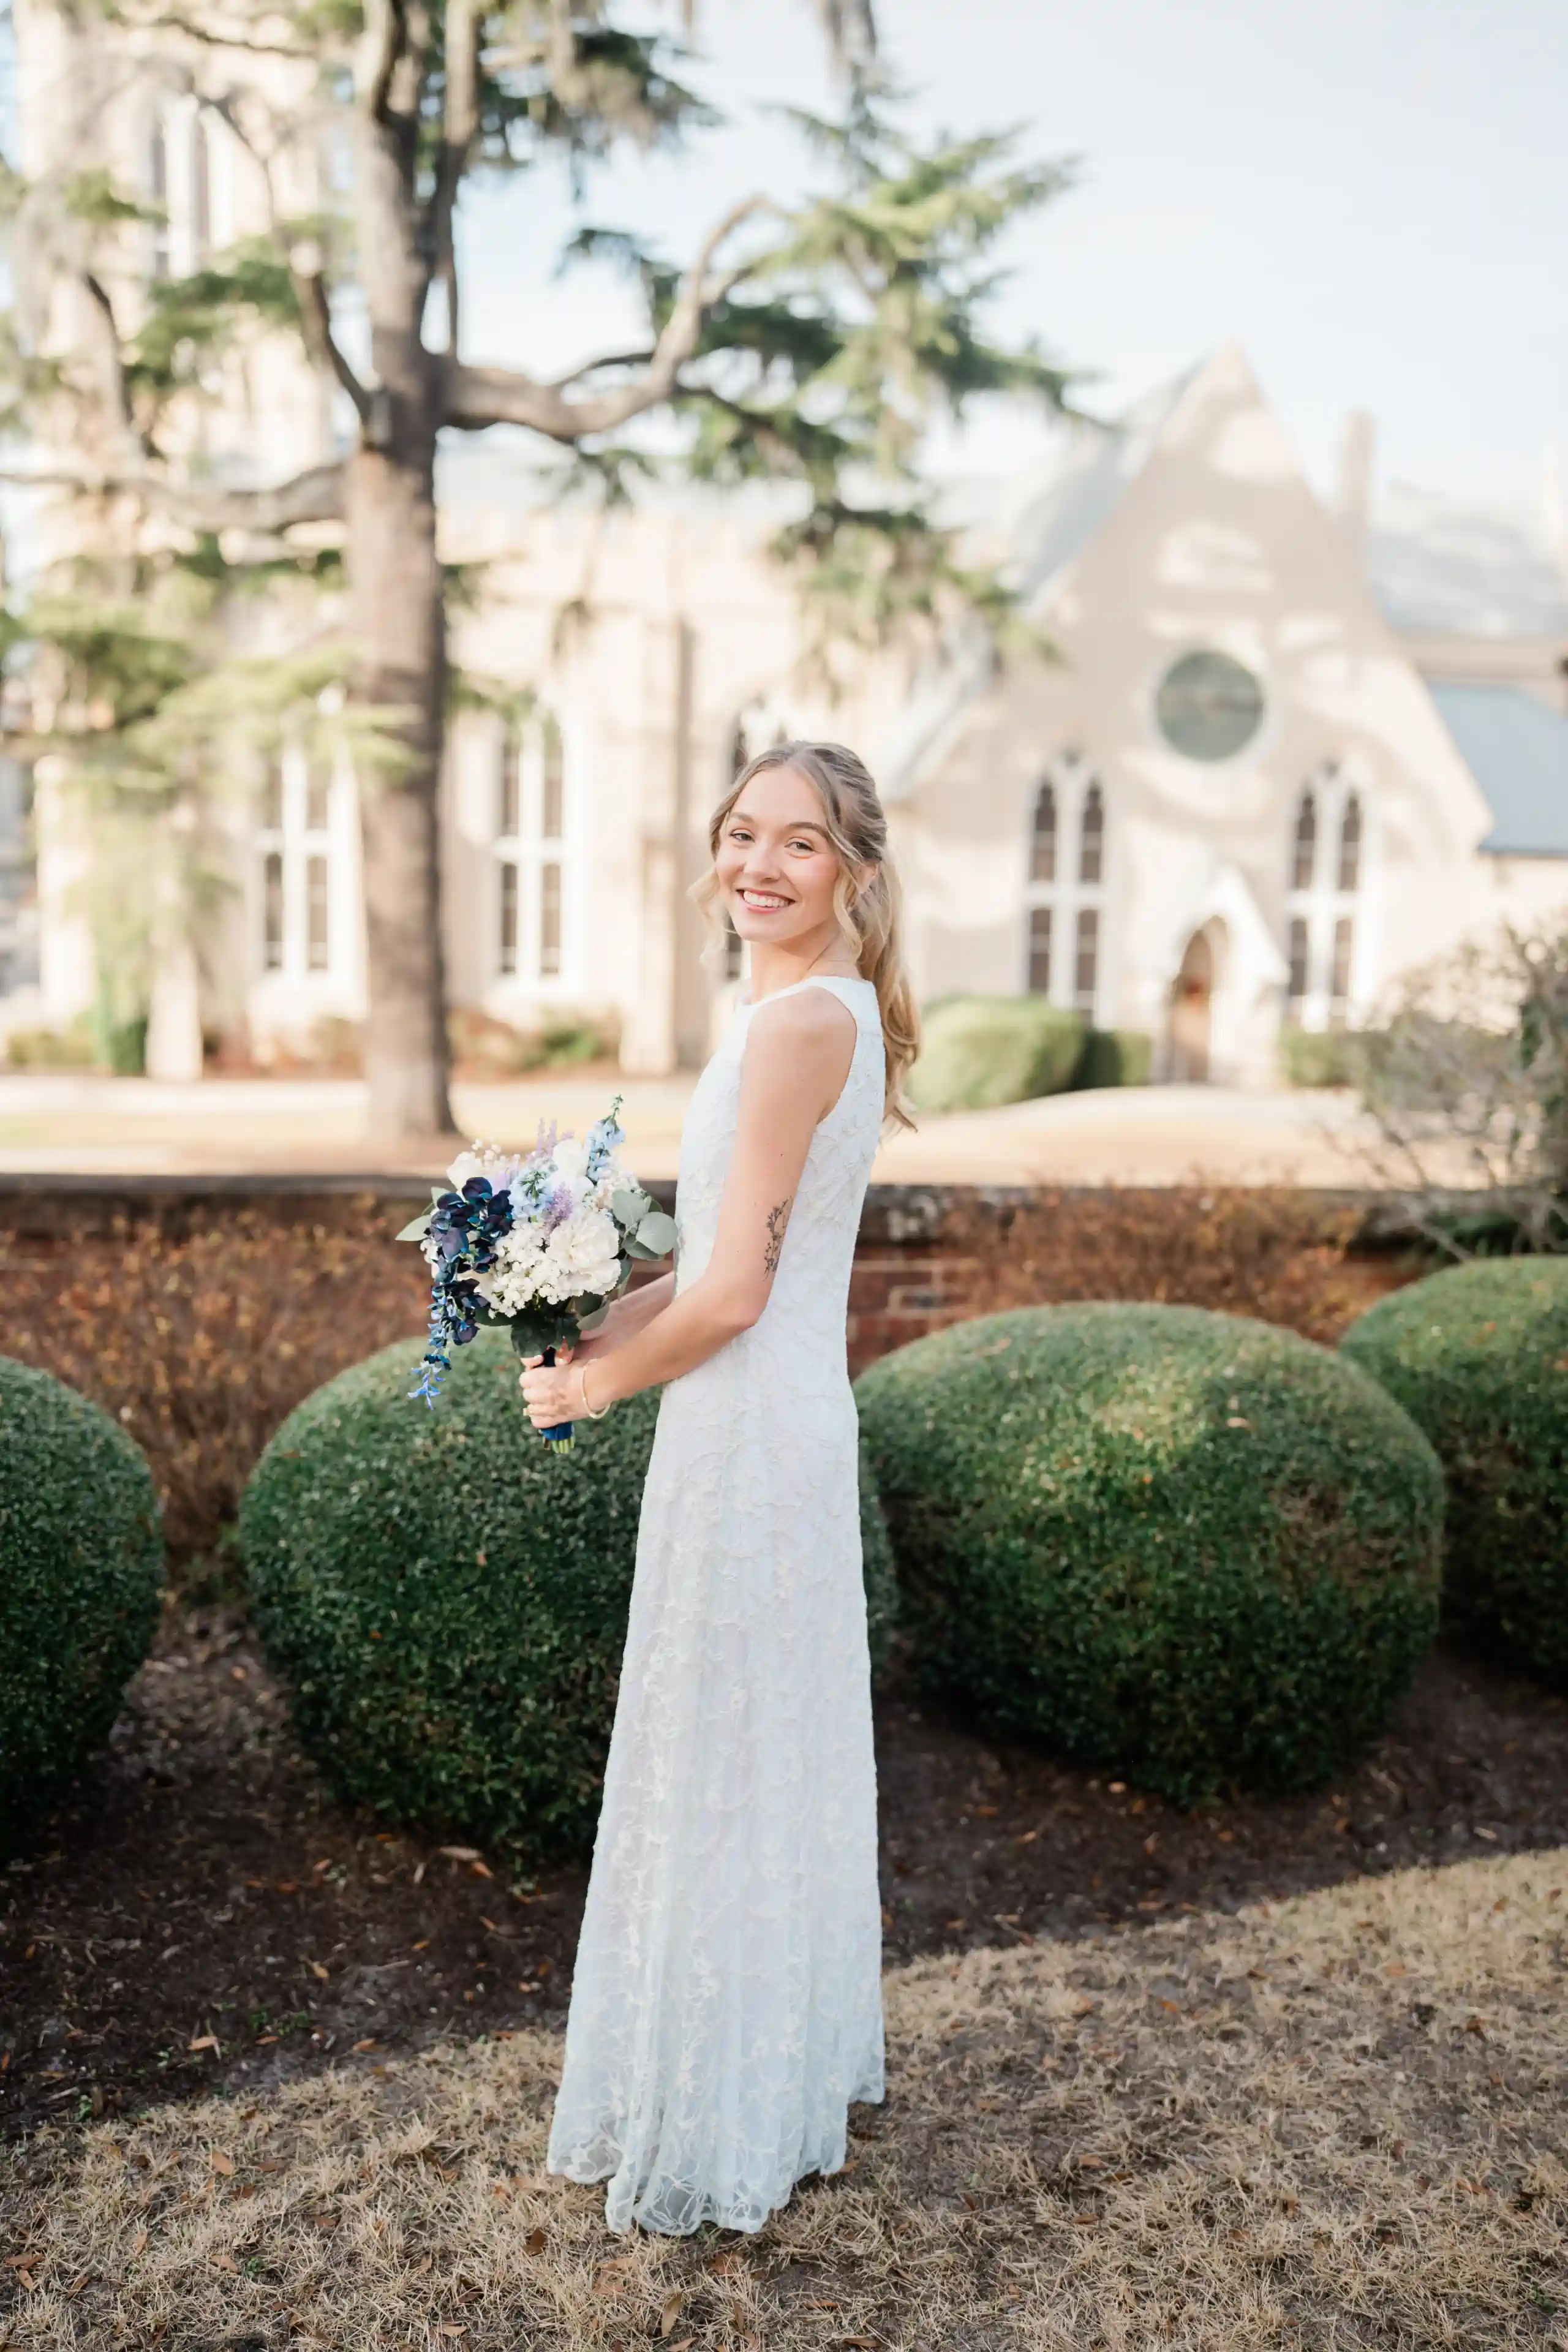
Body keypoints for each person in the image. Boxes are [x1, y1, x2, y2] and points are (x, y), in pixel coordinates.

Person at [519, 739, 918, 2236]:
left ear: (854, 874)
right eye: (741, 833)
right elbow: (696, 1271)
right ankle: (751, 2069)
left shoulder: (798, 1027)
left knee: (733, 1760)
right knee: (745, 1754)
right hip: (754, 1421)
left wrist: (595, 1385)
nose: (758, 863)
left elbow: (736, 1294)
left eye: (797, 844)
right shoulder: (795, 1013)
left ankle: (732, 2105)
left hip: (752, 1430)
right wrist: (578, 1310)